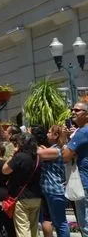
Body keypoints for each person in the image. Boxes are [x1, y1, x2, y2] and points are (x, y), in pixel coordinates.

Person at [2, 132, 41, 237]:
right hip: (36, 197)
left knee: (23, 228)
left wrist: (12, 154)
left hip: (21, 198)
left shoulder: (19, 157)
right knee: (33, 229)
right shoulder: (38, 157)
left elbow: (5, 170)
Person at [36, 124, 70, 237]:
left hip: (55, 190)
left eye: (49, 132)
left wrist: (33, 141)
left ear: (55, 135)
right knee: (58, 222)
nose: (47, 134)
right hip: (54, 190)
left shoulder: (57, 150)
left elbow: (39, 153)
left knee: (60, 223)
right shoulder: (58, 148)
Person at [64, 101, 88, 236]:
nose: (73, 112)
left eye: (77, 110)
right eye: (73, 109)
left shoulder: (82, 132)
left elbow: (66, 156)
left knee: (85, 224)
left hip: (84, 183)